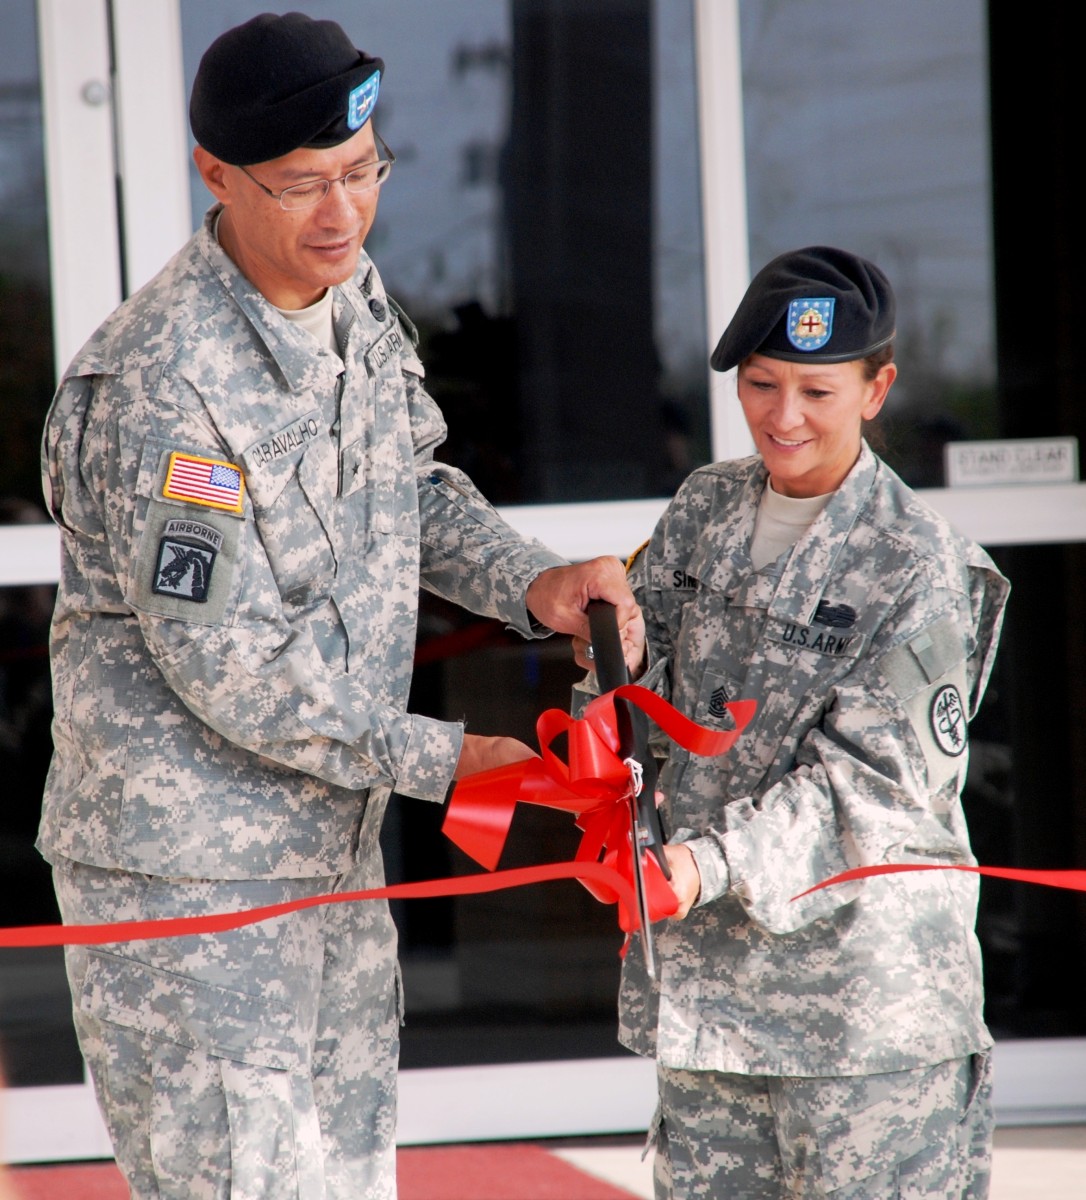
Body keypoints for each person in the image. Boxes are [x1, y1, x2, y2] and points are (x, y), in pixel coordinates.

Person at [38, 13, 641, 1199]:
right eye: (304, 184)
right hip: (195, 887)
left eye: (363, 174)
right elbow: (233, 667)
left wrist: (531, 580)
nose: (342, 215)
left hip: (330, 850)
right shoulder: (164, 380)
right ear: (215, 174)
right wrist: (447, 757)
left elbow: (406, 483)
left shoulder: (350, 298)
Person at [579, 246, 1008, 1197]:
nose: (784, 416)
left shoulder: (917, 565)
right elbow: (628, 701)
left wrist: (705, 863)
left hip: (862, 1017)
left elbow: (874, 787)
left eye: (817, 389)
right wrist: (611, 673)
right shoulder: (704, 510)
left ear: (876, 387)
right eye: (762, 385)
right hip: (711, 1012)